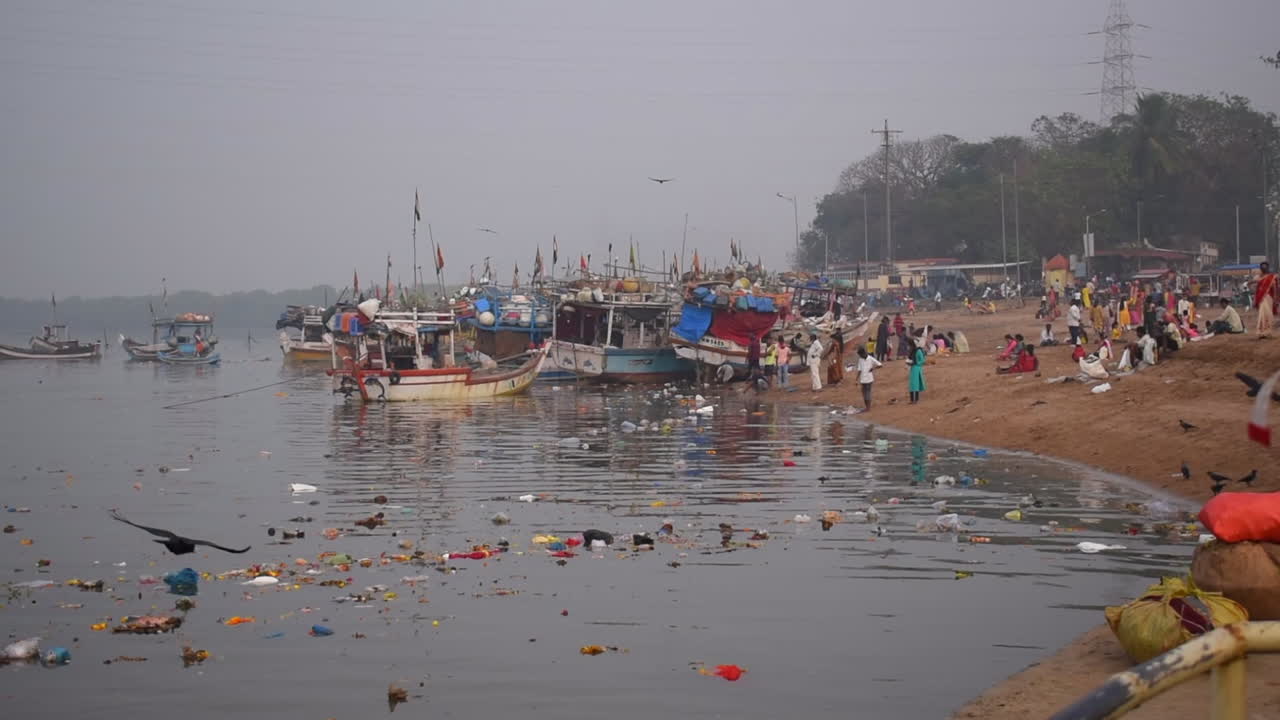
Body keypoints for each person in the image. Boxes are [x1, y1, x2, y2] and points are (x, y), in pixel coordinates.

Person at [1255, 261, 1278, 338]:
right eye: (1262, 267)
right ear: (1261, 268)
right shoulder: (1259, 277)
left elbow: (1274, 288)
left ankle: (1267, 332)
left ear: (1267, 268)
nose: (1264, 268)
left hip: (1269, 298)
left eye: (1265, 267)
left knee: (1268, 315)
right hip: (1261, 299)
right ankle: (1261, 332)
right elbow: (1257, 288)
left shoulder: (1272, 277)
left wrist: (1275, 298)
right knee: (1262, 315)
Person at [906, 333, 927, 403]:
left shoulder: (918, 351)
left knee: (915, 385)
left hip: (917, 368)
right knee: (912, 385)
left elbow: (922, 360)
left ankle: (916, 400)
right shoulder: (913, 351)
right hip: (913, 368)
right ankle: (912, 400)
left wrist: (915, 363)